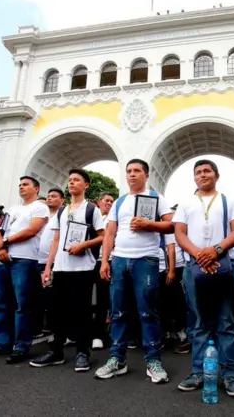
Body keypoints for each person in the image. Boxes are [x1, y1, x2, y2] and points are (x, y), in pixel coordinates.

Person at [95, 159, 174, 383]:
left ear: (146, 175)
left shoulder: (157, 198)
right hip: (119, 259)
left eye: (137, 171)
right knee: (118, 311)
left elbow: (171, 225)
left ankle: (153, 361)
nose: (132, 174)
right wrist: (105, 261)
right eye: (129, 171)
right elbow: (110, 233)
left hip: (146, 259)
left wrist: (150, 225)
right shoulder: (120, 202)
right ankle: (117, 359)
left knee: (148, 312)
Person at [173, 159, 234, 397]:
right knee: (199, 322)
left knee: (227, 322)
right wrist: (199, 254)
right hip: (195, 266)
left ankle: (231, 374)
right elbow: (179, 233)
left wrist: (215, 250)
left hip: (225, 263)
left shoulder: (229, 201)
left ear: (216, 175)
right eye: (198, 172)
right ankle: (199, 372)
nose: (202, 175)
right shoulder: (186, 203)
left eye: (207, 171)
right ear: (194, 178)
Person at [30, 169, 104, 372]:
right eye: (70, 180)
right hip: (61, 268)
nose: (72, 183)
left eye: (77, 180)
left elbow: (103, 236)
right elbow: (55, 240)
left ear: (86, 185)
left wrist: (83, 245)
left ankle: (82, 352)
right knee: (57, 311)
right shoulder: (62, 211)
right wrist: (48, 267)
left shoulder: (91, 209)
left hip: (84, 267)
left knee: (82, 311)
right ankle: (56, 352)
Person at [0, 176, 49, 364]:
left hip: (25, 259)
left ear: (36, 189)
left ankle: (21, 346)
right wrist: (1, 249)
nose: (21, 187)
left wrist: (6, 243)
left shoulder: (39, 207)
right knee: (2, 302)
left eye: (25, 184)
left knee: (23, 304)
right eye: (19, 184)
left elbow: (32, 231)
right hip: (4, 259)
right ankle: (2, 343)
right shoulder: (12, 209)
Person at [35, 188, 64, 338]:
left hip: (52, 262)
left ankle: (53, 329)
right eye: (48, 196)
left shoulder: (62, 216)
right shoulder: (42, 216)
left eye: (54, 196)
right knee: (36, 296)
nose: (49, 198)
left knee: (52, 297)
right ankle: (37, 327)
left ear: (62, 200)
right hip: (36, 260)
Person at [92, 191, 115, 350]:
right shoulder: (90, 216)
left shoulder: (113, 219)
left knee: (103, 300)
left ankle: (99, 335)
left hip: (107, 261)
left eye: (111, 201)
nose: (109, 203)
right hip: (88, 261)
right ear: (99, 202)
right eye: (106, 200)